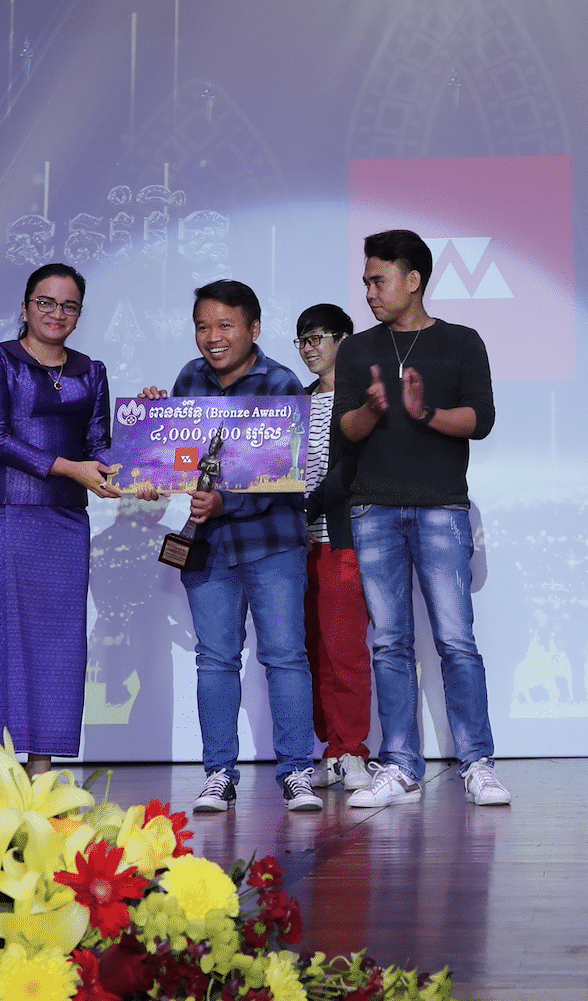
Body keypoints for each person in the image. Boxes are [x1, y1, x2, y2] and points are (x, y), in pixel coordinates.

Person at [335, 230, 511, 808]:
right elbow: (346, 429)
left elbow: (481, 419)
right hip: (374, 508)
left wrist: (424, 411)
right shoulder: (357, 350)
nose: (369, 292)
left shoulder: (461, 342)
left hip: (441, 507)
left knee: (456, 640)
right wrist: (372, 409)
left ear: (413, 281)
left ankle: (478, 763)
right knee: (389, 642)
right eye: (365, 282)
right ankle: (400, 767)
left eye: (378, 281)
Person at [0, 263, 152, 777]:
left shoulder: (92, 370)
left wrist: (144, 441)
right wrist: (70, 469)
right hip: (6, 512)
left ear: (79, 314)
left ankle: (41, 768)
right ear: (25, 308)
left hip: (65, 519)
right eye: (45, 302)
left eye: (69, 306)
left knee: (58, 641)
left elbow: (98, 445)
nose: (56, 313)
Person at [147, 279, 323, 815]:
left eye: (225, 325)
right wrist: (151, 433)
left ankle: (297, 772)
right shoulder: (189, 378)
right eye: (203, 326)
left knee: (285, 657)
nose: (213, 337)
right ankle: (218, 774)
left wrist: (227, 501)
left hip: (272, 543)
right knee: (215, 660)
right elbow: (178, 458)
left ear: (254, 328)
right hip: (209, 545)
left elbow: (285, 472)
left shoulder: (281, 383)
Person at [296, 302, 374, 791]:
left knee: (345, 650)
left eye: (317, 337)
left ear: (344, 338)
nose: (309, 348)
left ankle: (352, 750)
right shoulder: (297, 401)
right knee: (313, 650)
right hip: (298, 544)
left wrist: (308, 507)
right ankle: (330, 751)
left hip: (343, 540)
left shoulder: (360, 400)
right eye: (301, 340)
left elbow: (352, 470)